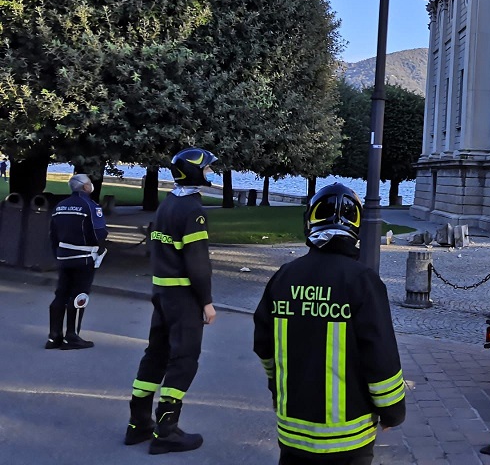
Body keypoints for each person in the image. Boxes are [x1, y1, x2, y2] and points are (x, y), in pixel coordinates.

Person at [254, 183, 406, 465]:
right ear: (355, 228)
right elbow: (381, 357)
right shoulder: (363, 281)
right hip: (349, 438)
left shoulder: (284, 276)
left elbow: (264, 346)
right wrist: (393, 411)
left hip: (293, 432)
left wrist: (277, 387)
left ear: (309, 221)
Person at [124, 147, 218, 454]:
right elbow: (197, 262)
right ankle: (166, 431)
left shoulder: (167, 205)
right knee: (184, 360)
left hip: (161, 293)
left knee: (155, 355)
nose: (209, 173)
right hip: (183, 297)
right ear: (194, 172)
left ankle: (138, 424)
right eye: (205, 169)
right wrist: (206, 301)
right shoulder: (193, 210)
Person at [46, 173, 107, 350]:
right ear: (85, 187)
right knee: (79, 295)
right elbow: (99, 233)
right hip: (84, 257)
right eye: (89, 183)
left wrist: (57, 254)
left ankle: (53, 336)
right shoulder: (90, 206)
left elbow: (53, 235)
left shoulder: (60, 206)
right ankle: (71, 336)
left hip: (63, 256)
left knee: (61, 294)